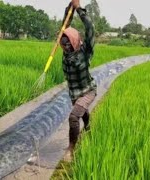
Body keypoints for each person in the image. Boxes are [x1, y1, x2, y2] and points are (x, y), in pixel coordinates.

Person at [60, 0, 97, 162]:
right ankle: (88, 129)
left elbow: (90, 29)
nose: (66, 48)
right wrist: (70, 8)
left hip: (87, 90)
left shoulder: (85, 51)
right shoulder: (65, 52)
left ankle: (71, 149)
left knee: (74, 117)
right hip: (74, 92)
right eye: (63, 44)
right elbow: (65, 26)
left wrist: (79, 9)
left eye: (68, 44)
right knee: (82, 113)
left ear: (74, 41)